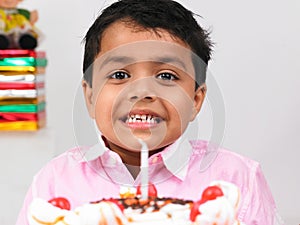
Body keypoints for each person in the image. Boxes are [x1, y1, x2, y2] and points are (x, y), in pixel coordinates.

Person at [16, 0, 283, 224]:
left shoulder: (238, 179)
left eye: (167, 76)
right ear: (90, 96)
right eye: (120, 74)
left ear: (196, 99)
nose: (142, 91)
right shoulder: (56, 181)